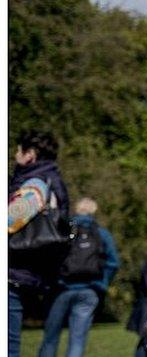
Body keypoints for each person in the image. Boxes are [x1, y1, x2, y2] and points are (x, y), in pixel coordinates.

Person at [8, 131, 69, 357]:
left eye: (18, 150)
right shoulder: (46, 179)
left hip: (12, 275)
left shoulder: (35, 185)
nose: (15, 155)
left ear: (30, 154)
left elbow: (9, 220)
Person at [38, 197, 120, 357]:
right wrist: (102, 283)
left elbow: (49, 258)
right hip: (90, 290)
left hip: (61, 289)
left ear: (76, 210)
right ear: (93, 211)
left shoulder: (63, 230)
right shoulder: (102, 234)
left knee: (50, 337)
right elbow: (113, 263)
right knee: (77, 340)